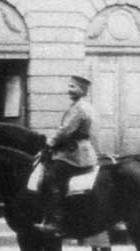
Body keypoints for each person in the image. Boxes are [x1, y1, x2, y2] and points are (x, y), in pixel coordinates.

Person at [34, 75, 99, 237]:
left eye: (73, 87)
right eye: (69, 86)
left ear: (82, 90)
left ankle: (55, 222)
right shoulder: (84, 106)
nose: (69, 90)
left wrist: (50, 143)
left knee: (51, 177)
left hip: (74, 153)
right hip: (78, 149)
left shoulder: (79, 108)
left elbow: (65, 130)